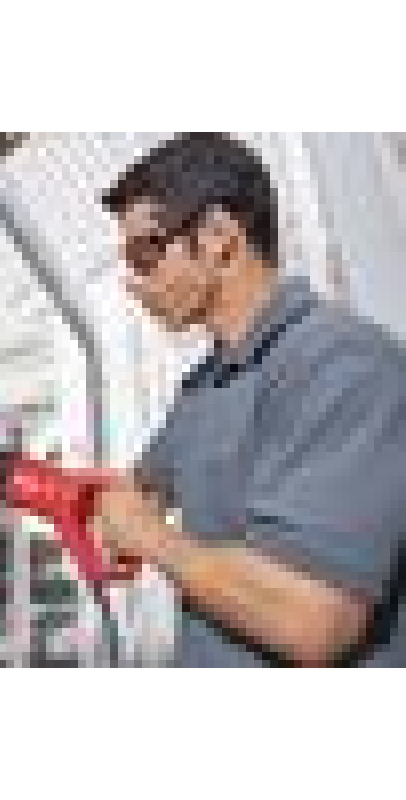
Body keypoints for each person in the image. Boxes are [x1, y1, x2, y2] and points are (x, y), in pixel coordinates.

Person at [96, 132, 406, 667]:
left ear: (219, 236)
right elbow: (139, 491)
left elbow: (311, 620)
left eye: (145, 252)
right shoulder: (208, 383)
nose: (132, 281)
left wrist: (149, 537)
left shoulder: (348, 367)